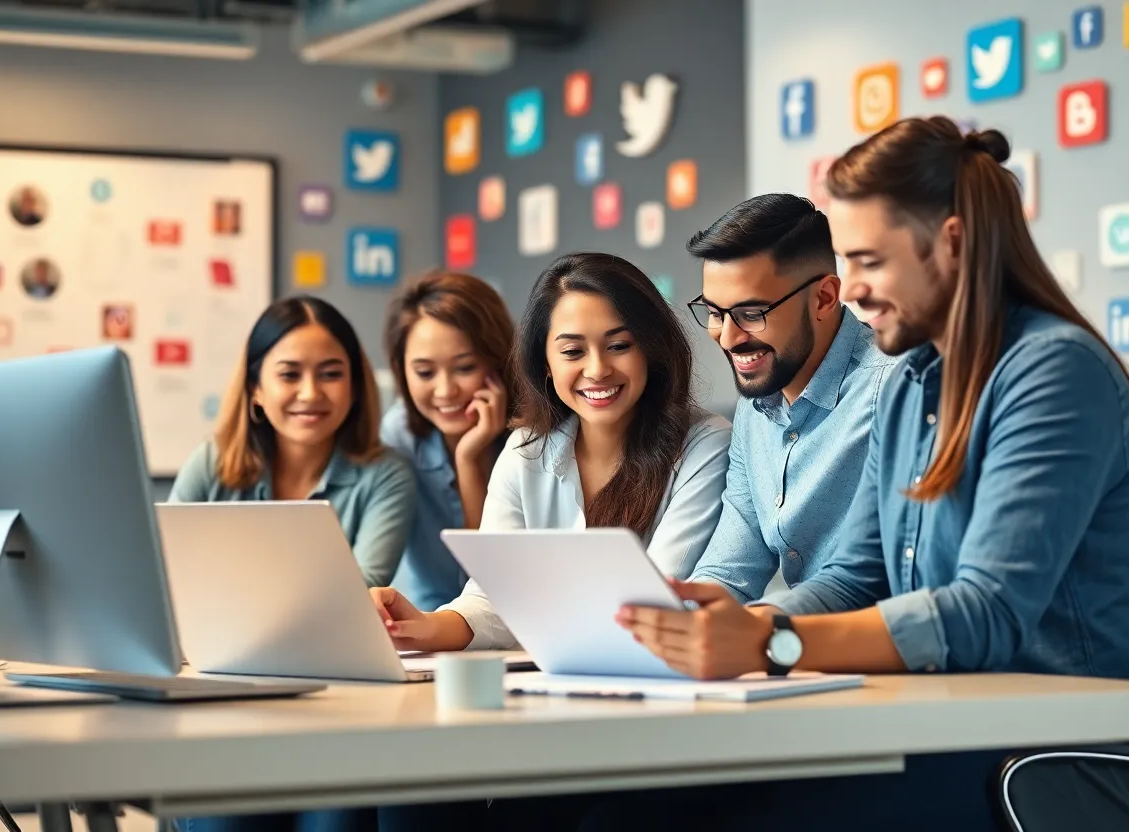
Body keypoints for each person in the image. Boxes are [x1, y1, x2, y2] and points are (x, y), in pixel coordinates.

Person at [578, 117, 1129, 830]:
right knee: (616, 808)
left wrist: (767, 644)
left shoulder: (1050, 371)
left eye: (867, 262)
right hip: (946, 727)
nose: (848, 290)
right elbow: (859, 574)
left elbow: (988, 612)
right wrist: (739, 620)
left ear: (949, 243)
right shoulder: (916, 379)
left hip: (1051, 758)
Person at [370, 252, 731, 656]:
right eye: (573, 352)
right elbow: (493, 598)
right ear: (545, 363)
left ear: (651, 348)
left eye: (618, 345)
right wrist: (422, 625)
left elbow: (660, 598)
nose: (596, 369)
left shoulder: (705, 445)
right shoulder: (526, 450)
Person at [171, 296, 415, 832]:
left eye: (331, 374)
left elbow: (358, 593)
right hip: (224, 705)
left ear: (355, 386)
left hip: (341, 710)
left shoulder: (386, 475)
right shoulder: (212, 464)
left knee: (334, 820)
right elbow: (162, 575)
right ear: (256, 388)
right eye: (289, 374)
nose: (311, 393)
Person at [684, 194, 896, 601]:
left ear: (824, 298)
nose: (727, 338)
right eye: (714, 313)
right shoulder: (755, 409)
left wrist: (764, 627)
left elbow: (874, 581)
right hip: (808, 651)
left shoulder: (894, 388)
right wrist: (675, 625)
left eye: (751, 313)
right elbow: (729, 569)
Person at [380, 271, 515, 611]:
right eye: (425, 373)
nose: (445, 391)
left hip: (516, 629)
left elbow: (494, 579)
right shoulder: (399, 434)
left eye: (465, 367)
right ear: (402, 371)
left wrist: (470, 459)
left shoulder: (534, 436)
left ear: (498, 361)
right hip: (427, 626)